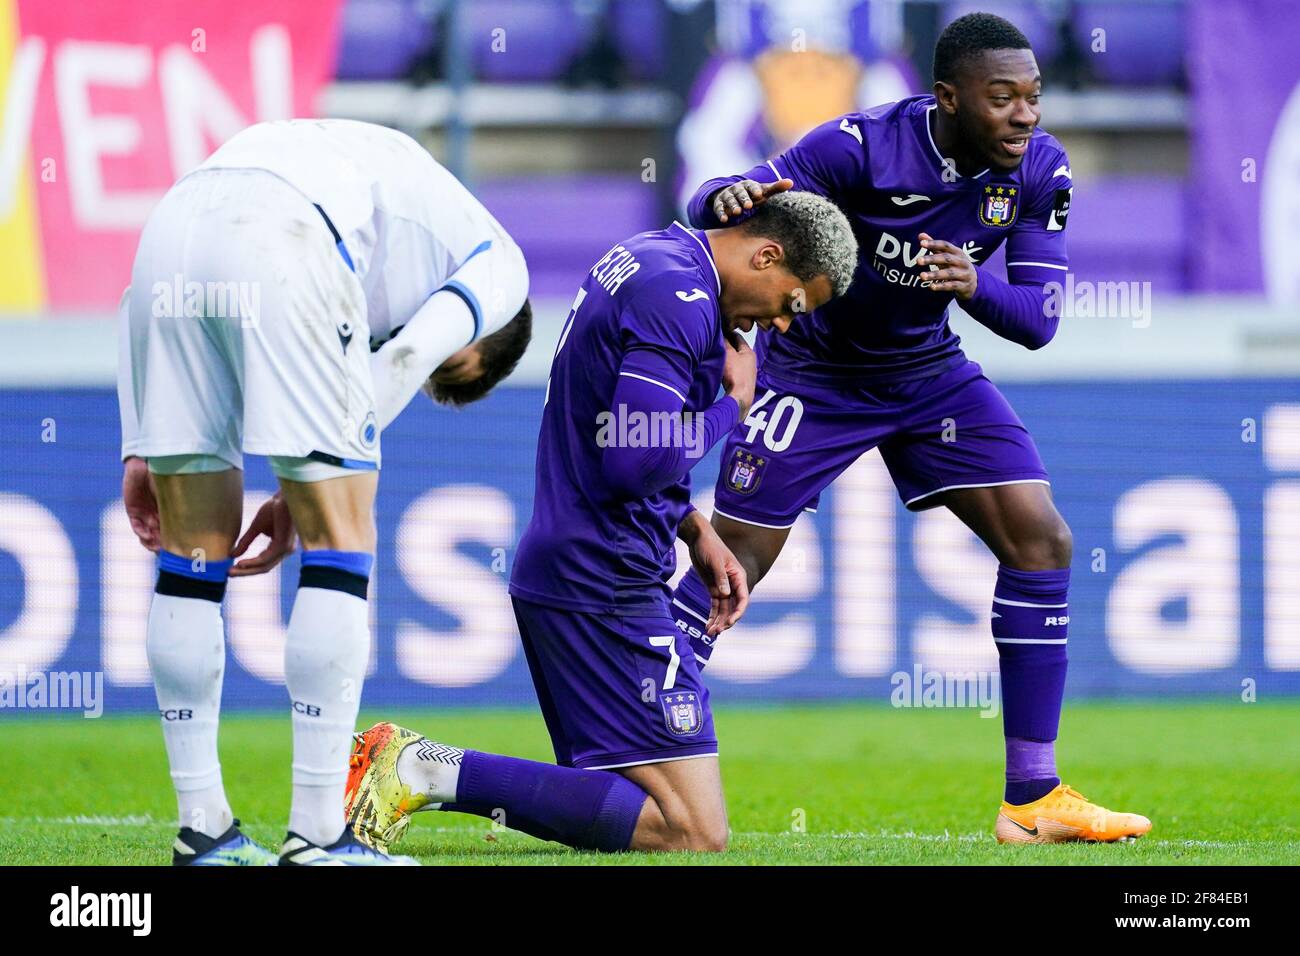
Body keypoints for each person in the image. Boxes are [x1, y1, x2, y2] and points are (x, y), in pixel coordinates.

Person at [670, 12, 1150, 844]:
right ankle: (627, 739)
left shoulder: (1040, 170)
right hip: (814, 373)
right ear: (949, 98)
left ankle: (1032, 799)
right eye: (1002, 99)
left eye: (1033, 97)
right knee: (732, 565)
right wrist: (728, 195)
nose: (1024, 116)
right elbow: (721, 200)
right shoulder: (857, 147)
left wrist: (971, 286)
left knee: (1042, 540)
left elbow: (1038, 319)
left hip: (928, 375)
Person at [345, 191, 859, 854]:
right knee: (692, 831)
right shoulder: (679, 298)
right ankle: (419, 768)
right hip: (605, 579)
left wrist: (693, 527)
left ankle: (421, 770)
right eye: (793, 304)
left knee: (636, 806)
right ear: (766, 255)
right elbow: (632, 459)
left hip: (581, 565)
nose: (783, 327)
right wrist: (734, 404)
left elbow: (610, 430)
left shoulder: (651, 257)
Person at [118, 118, 531, 865]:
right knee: (342, 538)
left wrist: (138, 439)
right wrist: (316, 473)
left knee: (191, 555)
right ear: (484, 340)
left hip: (173, 226)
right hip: (285, 236)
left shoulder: (392, 182)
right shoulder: (502, 268)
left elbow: (135, 294)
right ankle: (320, 837)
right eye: (457, 370)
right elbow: (407, 352)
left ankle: (203, 831)